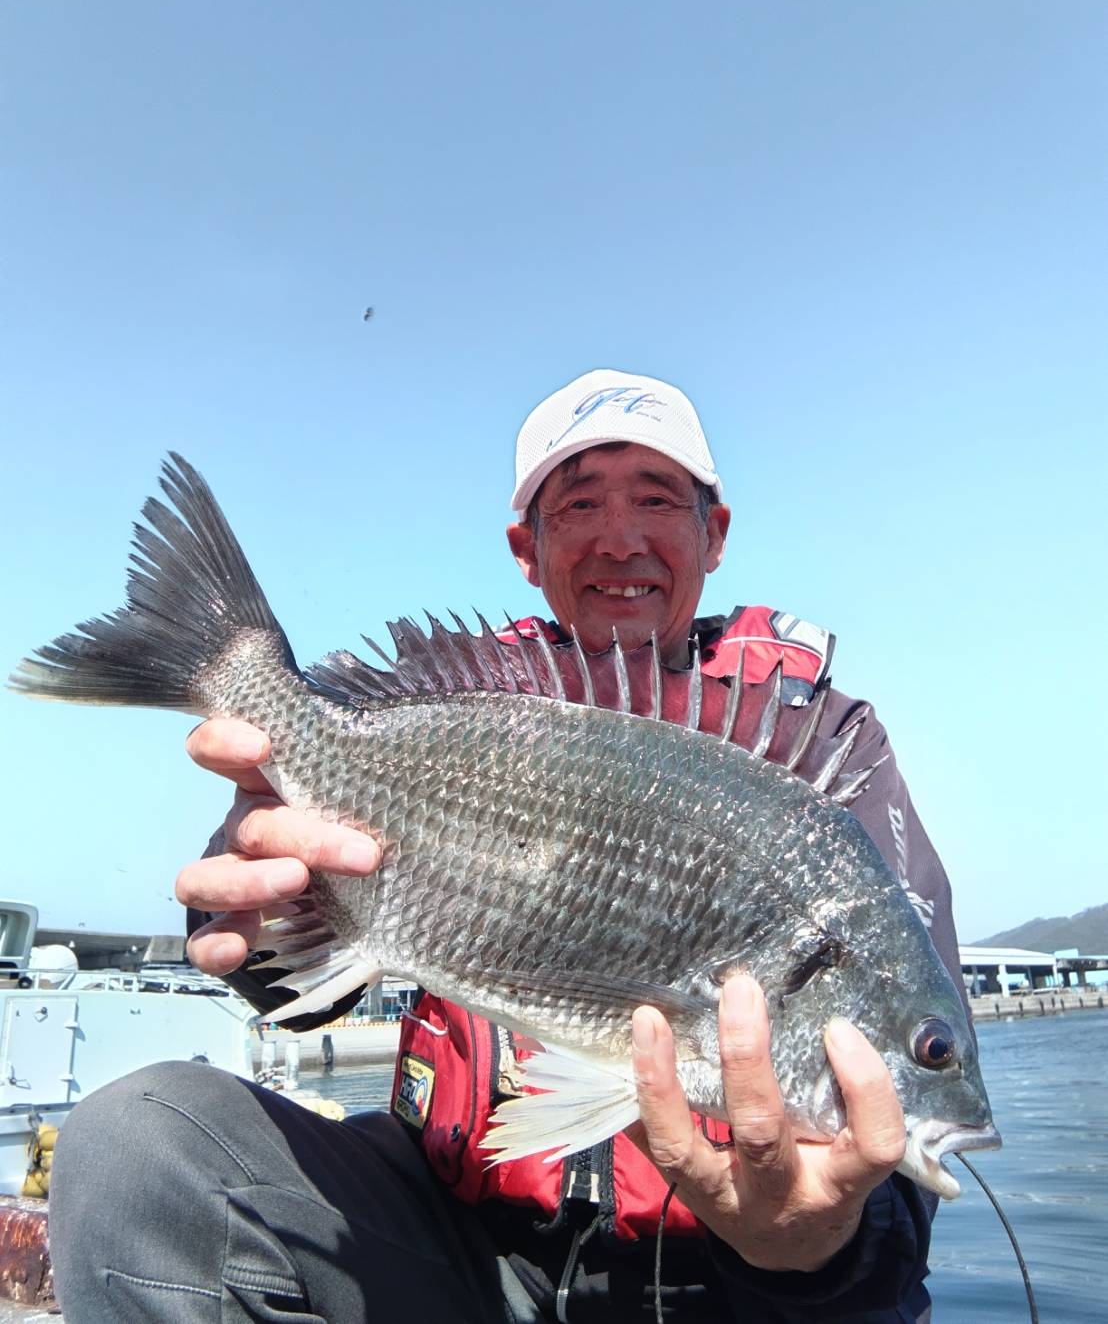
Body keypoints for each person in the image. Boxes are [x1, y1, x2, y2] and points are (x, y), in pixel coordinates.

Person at [50, 369, 963, 1322]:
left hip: (733, 1287)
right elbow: (294, 992)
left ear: (715, 533)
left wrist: (820, 1242)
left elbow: (894, 1205)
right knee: (138, 1144)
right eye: (579, 504)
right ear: (528, 548)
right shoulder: (473, 709)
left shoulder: (823, 752)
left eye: (657, 499)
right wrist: (257, 895)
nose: (620, 537)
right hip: (456, 1243)